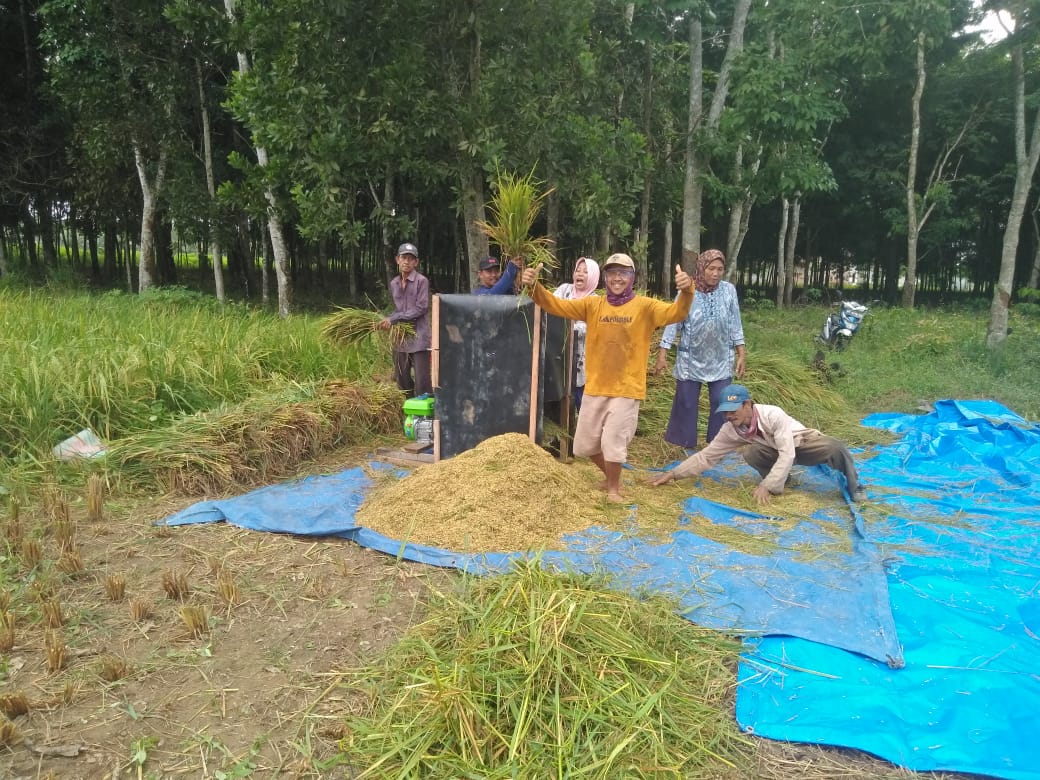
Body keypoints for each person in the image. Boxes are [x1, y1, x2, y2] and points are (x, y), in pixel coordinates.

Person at [523, 253, 693, 502]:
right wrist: (533, 286)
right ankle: (612, 477)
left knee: (613, 443)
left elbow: (676, 314)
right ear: (605, 278)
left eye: (623, 273)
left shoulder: (645, 307)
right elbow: (556, 305)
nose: (617, 278)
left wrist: (687, 292)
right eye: (612, 273)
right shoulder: (593, 305)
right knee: (583, 446)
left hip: (626, 388)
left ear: (632, 278)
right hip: (596, 386)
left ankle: (614, 488)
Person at [650, 383, 866, 504]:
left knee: (836, 448)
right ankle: (784, 480)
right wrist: (673, 474)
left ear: (747, 404)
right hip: (774, 451)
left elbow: (788, 454)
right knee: (752, 453)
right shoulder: (731, 428)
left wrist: (765, 486)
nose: (728, 416)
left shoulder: (773, 415)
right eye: (724, 412)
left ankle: (856, 487)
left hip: (800, 444)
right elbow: (707, 456)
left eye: (732, 411)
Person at [654, 249, 746, 449]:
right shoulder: (688, 291)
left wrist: (741, 354)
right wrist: (662, 354)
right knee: (686, 402)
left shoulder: (729, 290)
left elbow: (735, 323)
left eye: (720, 269)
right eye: (711, 268)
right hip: (690, 359)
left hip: (721, 358)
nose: (715, 273)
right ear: (702, 268)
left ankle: (719, 444)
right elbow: (673, 323)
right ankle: (685, 443)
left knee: (722, 401)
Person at [378, 242, 432, 397]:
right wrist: (387, 320)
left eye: (410, 258)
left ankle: (425, 417)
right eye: (404, 257)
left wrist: (395, 318)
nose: (406, 261)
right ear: (397, 259)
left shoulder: (421, 281)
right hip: (400, 338)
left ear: (416, 262)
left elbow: (421, 308)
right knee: (402, 379)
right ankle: (408, 411)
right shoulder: (394, 283)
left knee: (423, 381)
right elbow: (399, 309)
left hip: (419, 338)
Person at [552, 257, 601, 410]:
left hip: (582, 357)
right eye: (578, 270)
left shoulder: (596, 301)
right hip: (559, 353)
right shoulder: (564, 289)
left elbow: (592, 328)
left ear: (593, 276)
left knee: (582, 397)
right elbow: (552, 307)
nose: (580, 274)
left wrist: (567, 322)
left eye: (586, 272)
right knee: (560, 390)